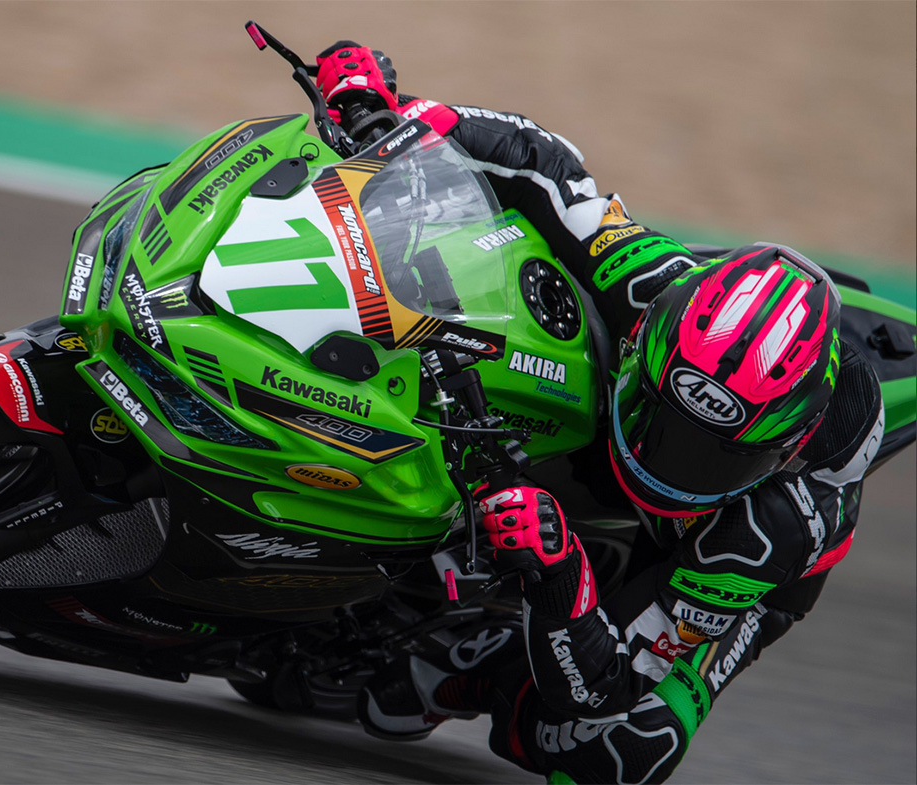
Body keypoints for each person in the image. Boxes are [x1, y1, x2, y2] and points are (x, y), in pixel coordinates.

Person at [315, 43, 886, 784]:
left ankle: (472, 668)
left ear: (784, 450)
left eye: (712, 456)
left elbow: (607, 684)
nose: (667, 460)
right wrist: (392, 115)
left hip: (715, 565)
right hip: (656, 377)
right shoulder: (653, 286)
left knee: (620, 751)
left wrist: (557, 575)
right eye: (660, 418)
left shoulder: (768, 529)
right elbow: (542, 162)